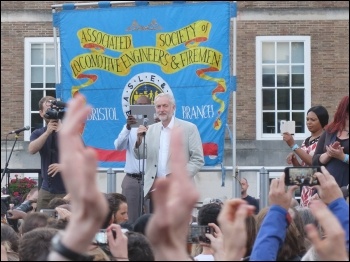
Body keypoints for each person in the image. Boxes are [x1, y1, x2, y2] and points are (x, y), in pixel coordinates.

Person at [134, 93, 204, 212]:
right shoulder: (151, 129)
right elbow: (139, 155)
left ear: (173, 107)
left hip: (179, 190)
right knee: (156, 228)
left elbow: (197, 159)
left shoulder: (189, 128)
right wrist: (139, 140)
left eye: (165, 106)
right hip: (155, 192)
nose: (161, 110)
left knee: (178, 229)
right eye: (158, 106)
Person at [114, 95, 152, 224]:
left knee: (153, 218)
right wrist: (128, 127)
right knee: (129, 218)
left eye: (145, 106)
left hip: (151, 179)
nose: (141, 109)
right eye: (138, 105)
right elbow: (118, 146)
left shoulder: (158, 127)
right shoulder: (129, 128)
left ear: (151, 107)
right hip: (132, 179)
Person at [28, 96, 66, 211]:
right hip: (46, 189)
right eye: (48, 110)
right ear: (41, 113)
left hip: (67, 189)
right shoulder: (38, 133)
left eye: (53, 109)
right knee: (41, 222)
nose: (51, 113)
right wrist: (47, 132)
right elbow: (31, 149)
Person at [312, 95, 349, 187]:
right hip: (326, 187)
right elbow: (315, 160)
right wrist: (328, 154)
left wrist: (343, 157)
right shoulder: (330, 131)